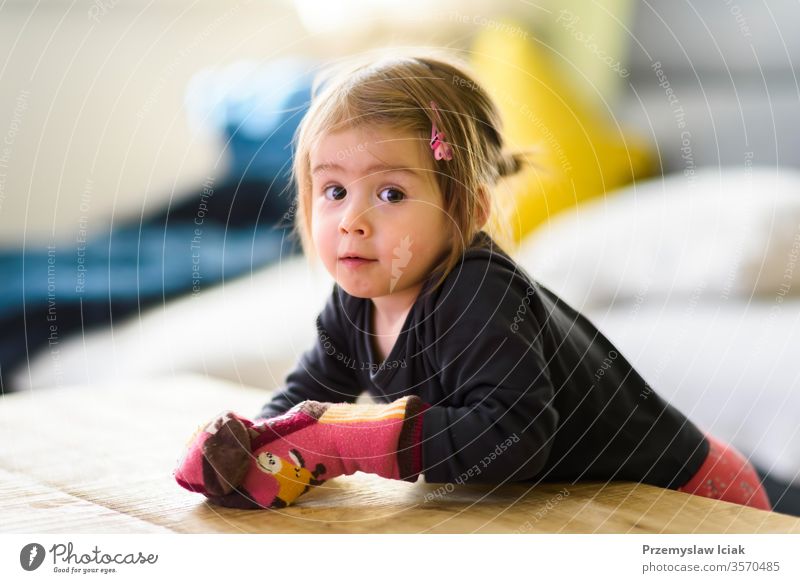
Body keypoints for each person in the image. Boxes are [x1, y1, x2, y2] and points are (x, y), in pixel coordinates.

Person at [174, 52, 771, 512]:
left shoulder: (479, 296)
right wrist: (258, 446)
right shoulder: (356, 300)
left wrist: (352, 441)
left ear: (467, 209)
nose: (351, 221)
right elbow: (312, 395)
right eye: (333, 191)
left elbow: (515, 438)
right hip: (586, 506)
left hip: (689, 493)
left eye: (390, 193)